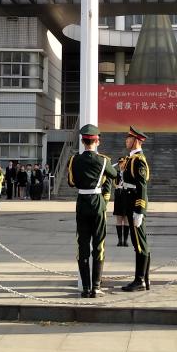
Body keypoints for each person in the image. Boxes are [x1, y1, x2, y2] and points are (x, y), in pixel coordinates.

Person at [66, 124, 117, 298]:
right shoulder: (103, 160)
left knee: (82, 245)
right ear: (97, 141)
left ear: (82, 141)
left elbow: (71, 182)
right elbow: (114, 175)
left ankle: (86, 288)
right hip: (97, 202)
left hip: (82, 202)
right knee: (98, 244)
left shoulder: (74, 160)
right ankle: (96, 287)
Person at [121, 126, 151, 292]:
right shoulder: (131, 159)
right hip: (129, 202)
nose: (126, 140)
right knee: (139, 241)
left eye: (129, 138)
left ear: (137, 141)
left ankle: (140, 280)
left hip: (135, 204)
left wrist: (139, 211)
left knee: (139, 243)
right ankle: (144, 278)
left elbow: (142, 187)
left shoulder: (139, 160)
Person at [112, 156, 130, 246]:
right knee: (119, 218)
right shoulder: (116, 172)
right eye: (120, 162)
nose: (121, 164)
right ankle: (119, 240)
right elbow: (114, 183)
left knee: (126, 218)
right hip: (119, 195)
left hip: (127, 195)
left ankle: (125, 240)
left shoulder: (128, 173)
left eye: (123, 162)